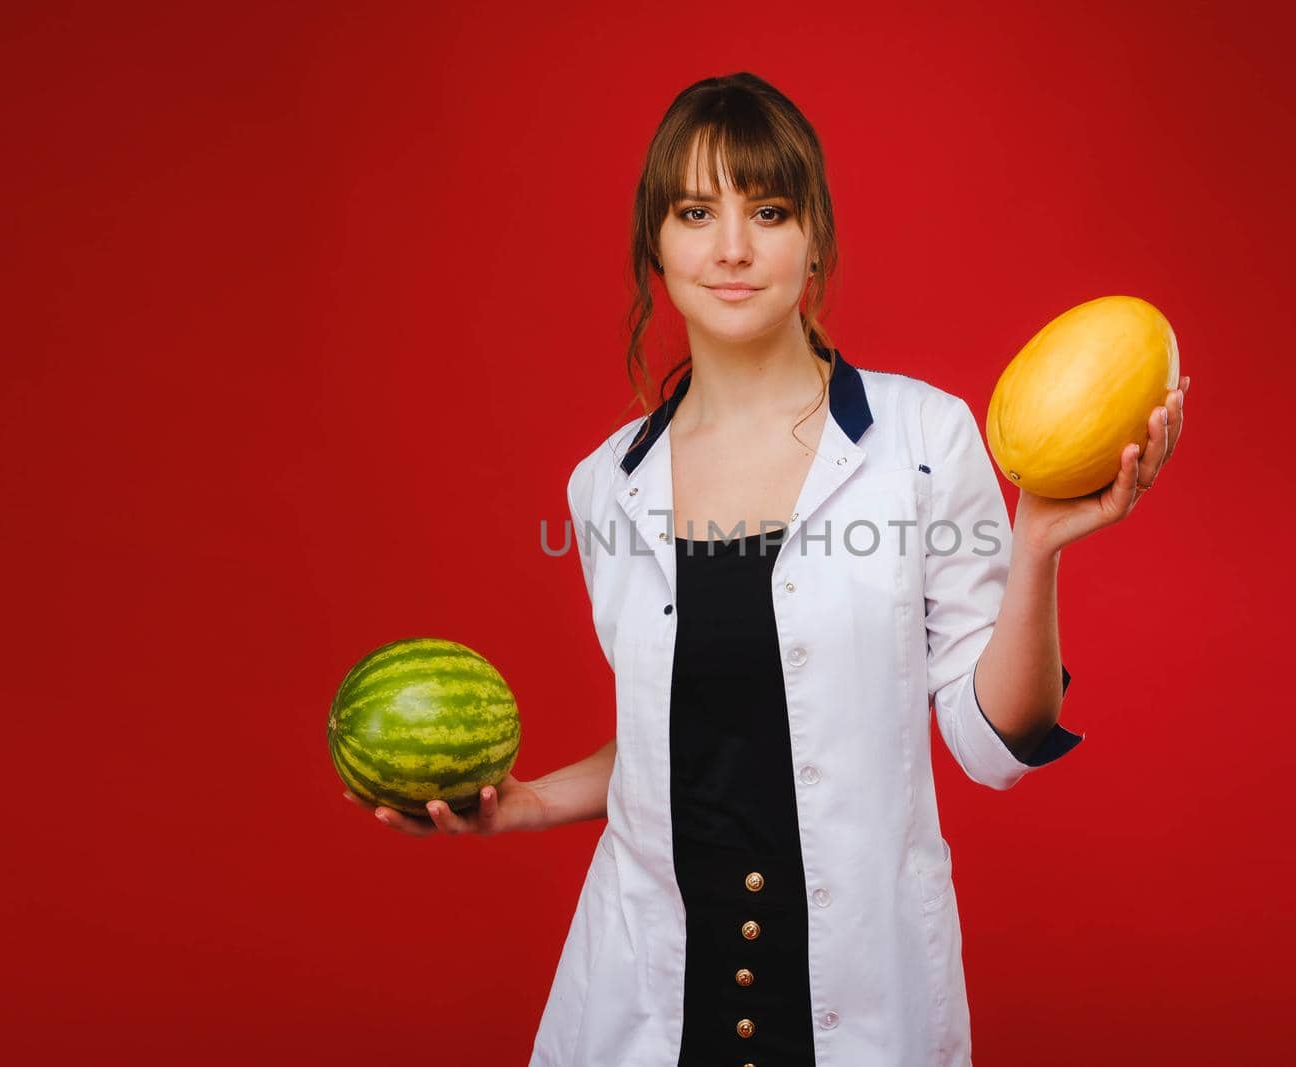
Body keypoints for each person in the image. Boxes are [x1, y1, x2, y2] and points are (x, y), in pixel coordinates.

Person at [346, 72, 1189, 1066]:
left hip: (856, 1000)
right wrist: (525, 800)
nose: (733, 246)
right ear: (655, 245)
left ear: (814, 238)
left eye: (769, 209)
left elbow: (991, 739)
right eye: (696, 212)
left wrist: (1038, 542)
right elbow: (693, 740)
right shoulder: (603, 488)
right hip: (650, 1002)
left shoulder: (925, 439)